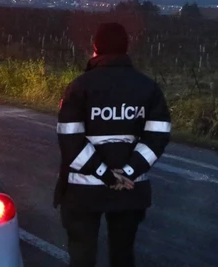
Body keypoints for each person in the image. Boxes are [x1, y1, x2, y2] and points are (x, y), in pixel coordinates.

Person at [53, 22, 172, 267]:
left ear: (95, 47)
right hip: (130, 191)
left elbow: (70, 139)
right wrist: (127, 173)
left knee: (82, 258)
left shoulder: (80, 86)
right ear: (126, 48)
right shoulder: (148, 87)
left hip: (82, 192)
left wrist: (105, 175)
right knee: (123, 255)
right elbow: (157, 137)